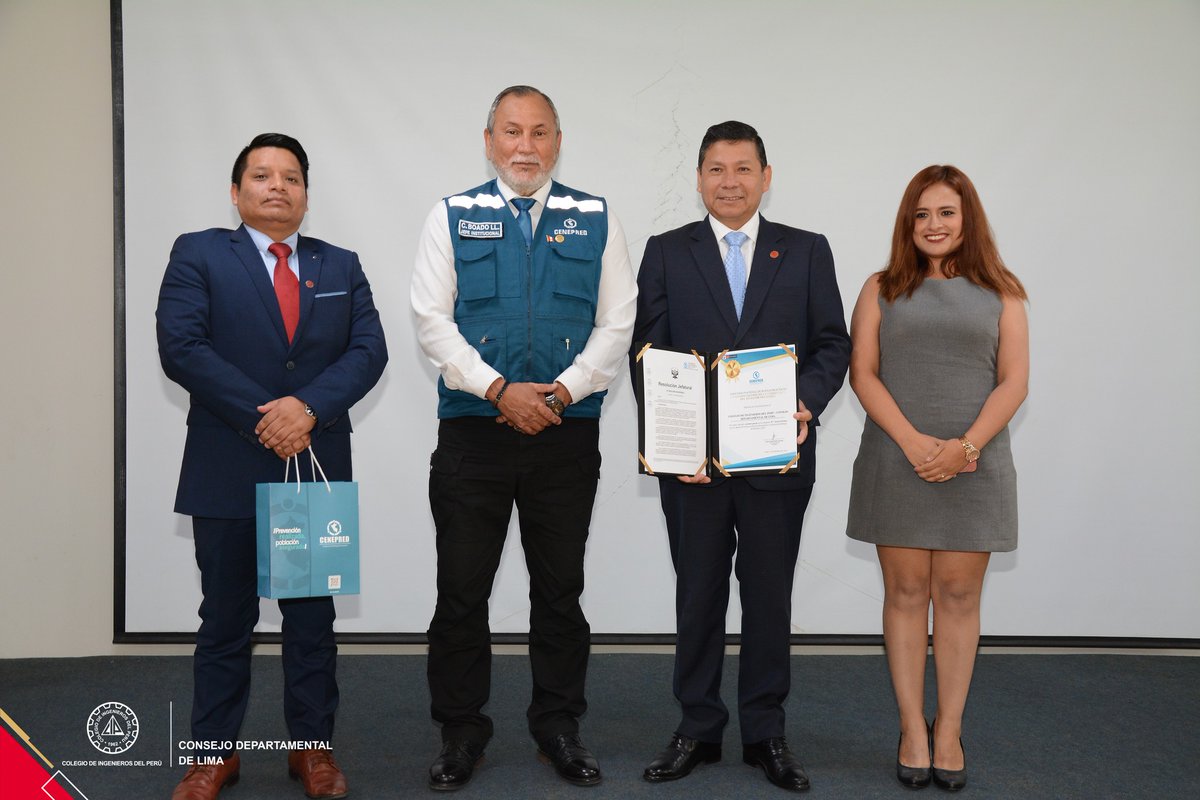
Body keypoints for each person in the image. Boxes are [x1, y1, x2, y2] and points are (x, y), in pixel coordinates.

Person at [410, 85, 637, 791]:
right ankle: (460, 732)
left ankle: (558, 726)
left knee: (559, 590)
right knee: (461, 592)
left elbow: (618, 319)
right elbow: (430, 319)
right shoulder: (452, 216)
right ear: (488, 141)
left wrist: (564, 392)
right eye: (512, 131)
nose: (525, 146)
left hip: (564, 436)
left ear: (557, 142)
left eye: (540, 132)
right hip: (474, 436)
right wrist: (499, 391)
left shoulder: (594, 217)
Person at [156, 133, 388, 800]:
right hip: (228, 464)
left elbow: (368, 351)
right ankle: (212, 755)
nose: (277, 186)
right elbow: (182, 347)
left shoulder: (339, 265)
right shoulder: (199, 253)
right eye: (261, 175)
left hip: (310, 472)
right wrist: (270, 416)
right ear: (237, 192)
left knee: (311, 621)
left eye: (290, 177)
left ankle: (312, 750)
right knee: (224, 619)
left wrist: (307, 409)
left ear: (306, 195)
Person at [632, 121, 851, 793]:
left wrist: (806, 403)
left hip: (775, 463)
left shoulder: (806, 251)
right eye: (717, 169)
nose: (730, 181)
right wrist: (675, 443)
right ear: (699, 178)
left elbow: (831, 346)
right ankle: (697, 727)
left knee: (767, 599)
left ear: (766, 175)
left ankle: (765, 732)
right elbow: (648, 354)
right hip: (693, 469)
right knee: (696, 597)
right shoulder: (666, 251)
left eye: (743, 168)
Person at [846, 165, 1029, 791]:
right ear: (907, 222)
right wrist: (917, 443)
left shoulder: (1003, 290)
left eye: (946, 212)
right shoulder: (880, 288)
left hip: (974, 464)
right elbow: (863, 374)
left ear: (967, 218)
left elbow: (1014, 381)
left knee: (957, 596)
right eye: (921, 214)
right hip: (897, 458)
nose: (933, 225)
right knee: (903, 595)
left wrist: (965, 447)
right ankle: (912, 729)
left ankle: (948, 729)